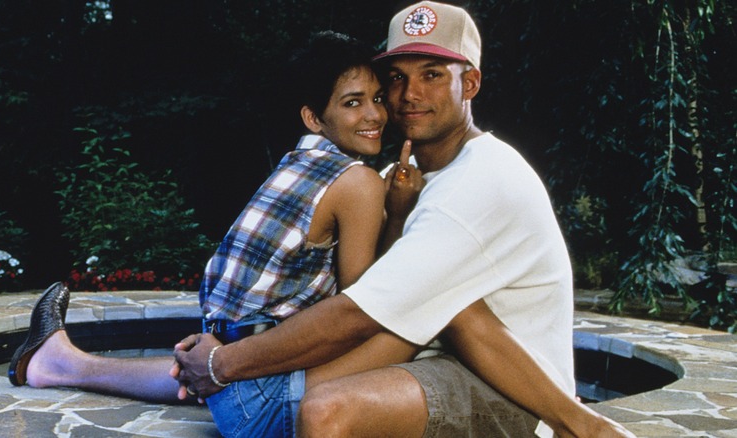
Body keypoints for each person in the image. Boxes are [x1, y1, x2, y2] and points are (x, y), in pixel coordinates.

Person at [173, 2, 636, 437]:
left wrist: (224, 363)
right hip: (428, 358)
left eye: (433, 75)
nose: (410, 94)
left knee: (328, 409)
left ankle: (582, 427)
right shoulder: (401, 178)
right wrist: (220, 342)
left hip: (510, 390)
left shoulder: (484, 180)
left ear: (470, 84)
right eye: (396, 77)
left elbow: (358, 311)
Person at [7, 31, 425, 437]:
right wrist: (398, 213)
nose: (375, 115)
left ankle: (58, 363)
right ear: (314, 118)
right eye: (353, 103)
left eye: (376, 99)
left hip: (222, 366)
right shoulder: (359, 183)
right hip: (256, 393)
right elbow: (366, 304)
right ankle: (59, 362)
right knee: (421, 314)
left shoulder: (298, 161)